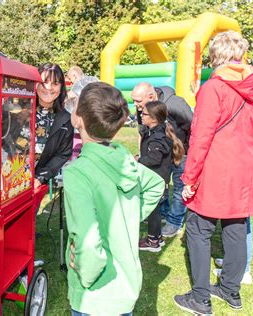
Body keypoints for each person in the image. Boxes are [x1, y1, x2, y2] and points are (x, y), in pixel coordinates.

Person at [174, 31, 253, 315]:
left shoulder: (214, 88)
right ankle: (231, 289)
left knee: (198, 228)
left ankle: (201, 297)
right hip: (247, 168)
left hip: (217, 168)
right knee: (236, 228)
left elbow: (200, 136)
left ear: (216, 56)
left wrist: (189, 178)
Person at [64, 82, 165, 315]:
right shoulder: (124, 158)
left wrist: (86, 275)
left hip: (94, 297)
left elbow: (87, 242)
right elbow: (155, 185)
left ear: (79, 118)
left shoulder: (77, 173)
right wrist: (126, 220)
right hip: (125, 290)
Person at [131, 82, 193, 237]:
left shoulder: (175, 104)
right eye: (134, 100)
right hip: (159, 153)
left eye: (138, 101)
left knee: (179, 187)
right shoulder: (142, 109)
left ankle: (174, 222)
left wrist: (186, 149)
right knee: (159, 183)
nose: (135, 105)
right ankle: (162, 213)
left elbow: (193, 124)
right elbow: (142, 131)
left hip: (181, 152)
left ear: (151, 97)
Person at [137, 100, 184, 252]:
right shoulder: (158, 130)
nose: (141, 116)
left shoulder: (158, 137)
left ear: (153, 118)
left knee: (153, 211)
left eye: (143, 114)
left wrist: (137, 160)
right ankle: (157, 237)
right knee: (154, 209)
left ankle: (153, 241)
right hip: (157, 179)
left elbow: (154, 159)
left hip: (156, 180)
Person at [35, 63, 74, 186]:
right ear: (35, 84)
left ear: (61, 87)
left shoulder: (66, 119)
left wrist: (41, 177)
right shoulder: (19, 112)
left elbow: (63, 153)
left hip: (36, 183)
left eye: (55, 83)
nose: (49, 88)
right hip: (9, 176)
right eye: (44, 82)